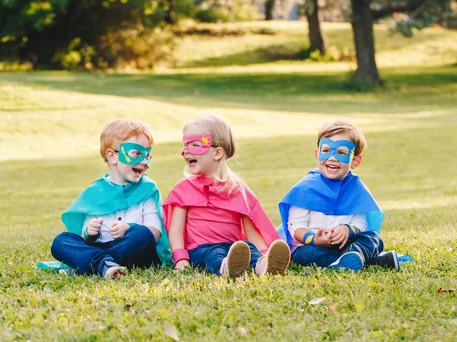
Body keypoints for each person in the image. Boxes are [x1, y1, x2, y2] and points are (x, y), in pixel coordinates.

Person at [163, 114, 291, 278]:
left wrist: (265, 253)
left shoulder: (236, 189)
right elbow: (176, 229)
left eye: (194, 145)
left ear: (217, 153)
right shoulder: (184, 189)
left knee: (247, 246)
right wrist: (180, 258)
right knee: (214, 252)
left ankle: (263, 266)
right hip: (200, 249)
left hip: (233, 247)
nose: (186, 151)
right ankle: (225, 268)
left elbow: (251, 231)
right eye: (185, 145)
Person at [50, 119, 171, 278]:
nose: (144, 161)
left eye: (147, 155)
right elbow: (87, 236)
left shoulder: (147, 189)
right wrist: (90, 233)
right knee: (61, 241)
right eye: (136, 153)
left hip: (136, 252)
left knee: (142, 234)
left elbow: (154, 232)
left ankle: (90, 264)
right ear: (112, 156)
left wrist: (129, 228)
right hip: (101, 247)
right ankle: (103, 264)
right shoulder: (95, 192)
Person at [278, 119, 399, 272]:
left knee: (373, 238)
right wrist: (316, 239)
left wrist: (347, 229)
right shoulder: (305, 189)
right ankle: (370, 261)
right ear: (317, 154)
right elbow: (296, 226)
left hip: (346, 243)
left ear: (355, 161)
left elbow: (361, 223)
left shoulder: (356, 189)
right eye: (326, 150)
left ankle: (354, 257)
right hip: (313, 245)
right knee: (303, 255)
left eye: (341, 152)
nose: (332, 157)